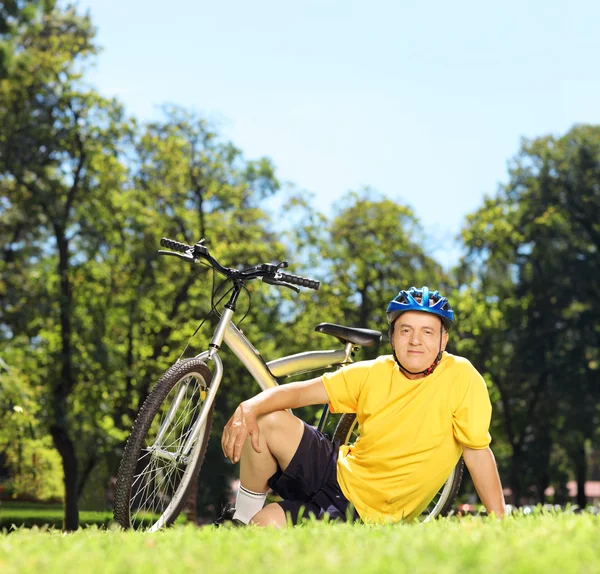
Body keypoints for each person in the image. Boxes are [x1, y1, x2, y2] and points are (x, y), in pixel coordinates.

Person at [215, 286, 505, 527]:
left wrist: (499, 522)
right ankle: (238, 520)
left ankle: (252, 525)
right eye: (405, 330)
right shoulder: (374, 372)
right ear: (393, 337)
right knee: (267, 419)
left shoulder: (462, 377)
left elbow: (477, 453)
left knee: (265, 526)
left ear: (444, 340)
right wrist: (248, 407)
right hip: (335, 471)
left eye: (428, 332)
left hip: (364, 515)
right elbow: (299, 394)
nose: (416, 340)